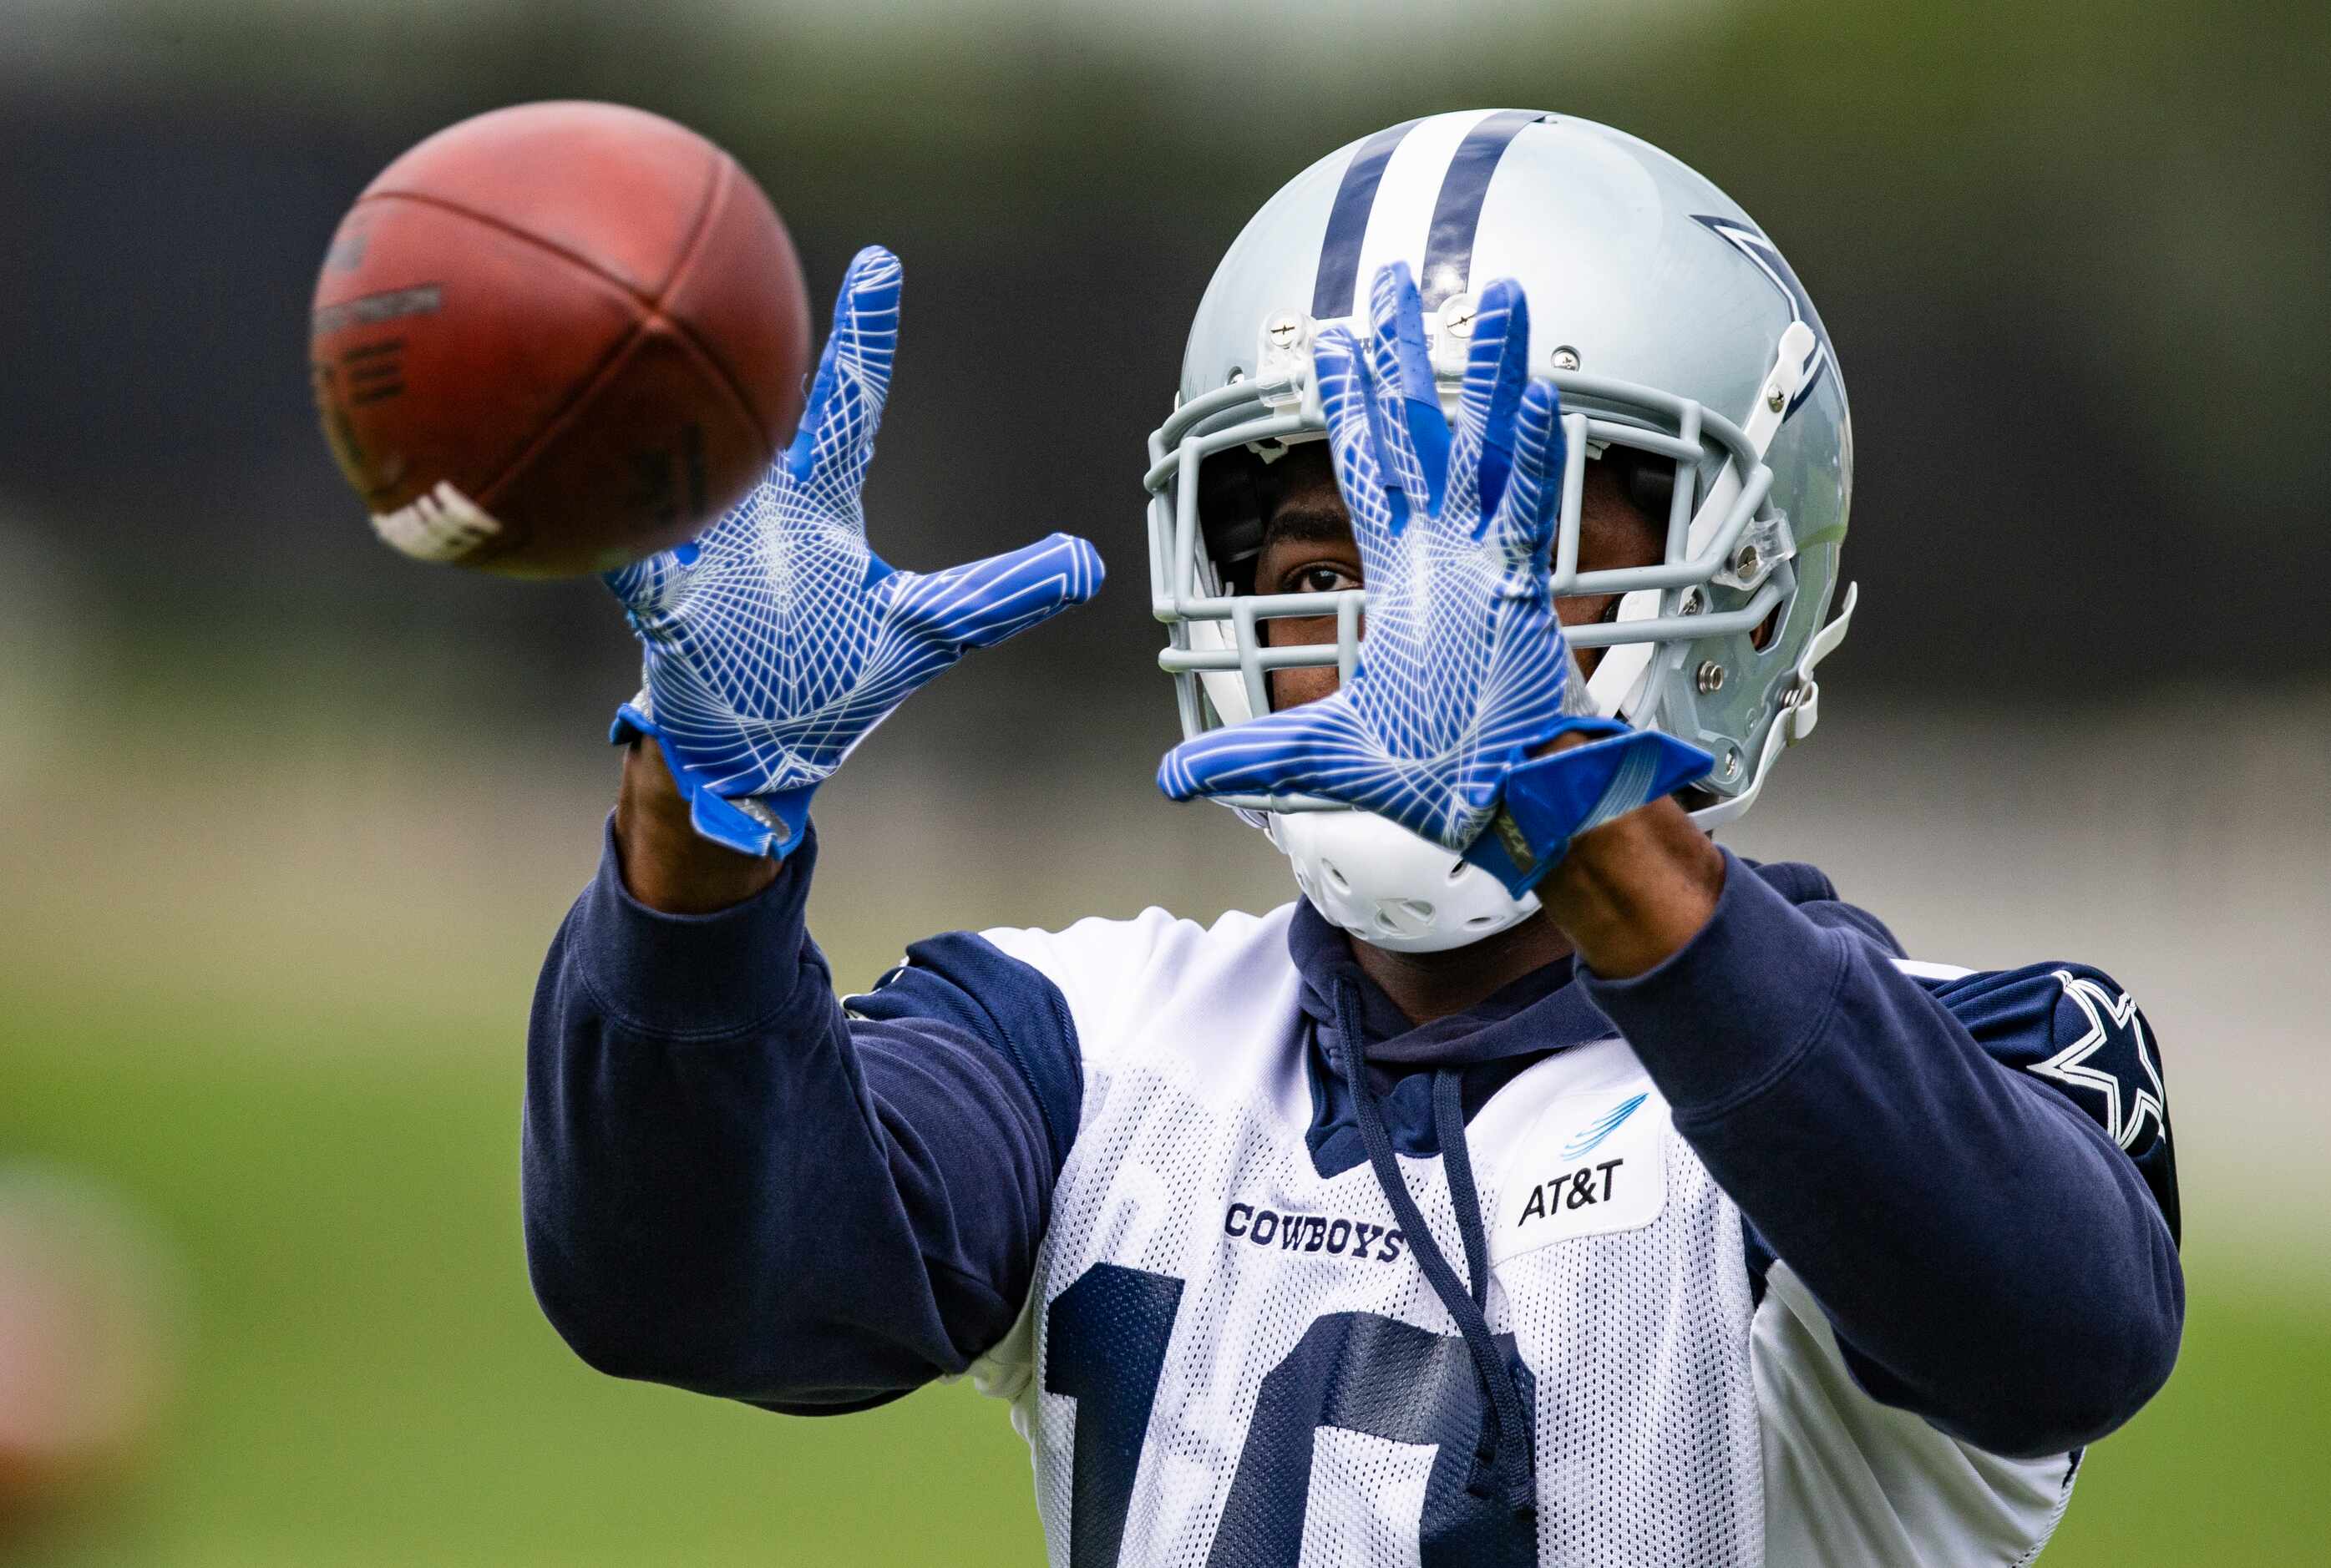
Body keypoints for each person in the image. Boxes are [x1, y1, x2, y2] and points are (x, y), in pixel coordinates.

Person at [522, 111, 2182, 1565]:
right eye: (1325, 573)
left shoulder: (1963, 1056)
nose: (1397, 630)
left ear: (1743, 590)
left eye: (1508, 562)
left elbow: (2056, 1334)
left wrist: (1591, 833)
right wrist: (700, 826)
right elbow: (678, 1281)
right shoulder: (1083, 1048)